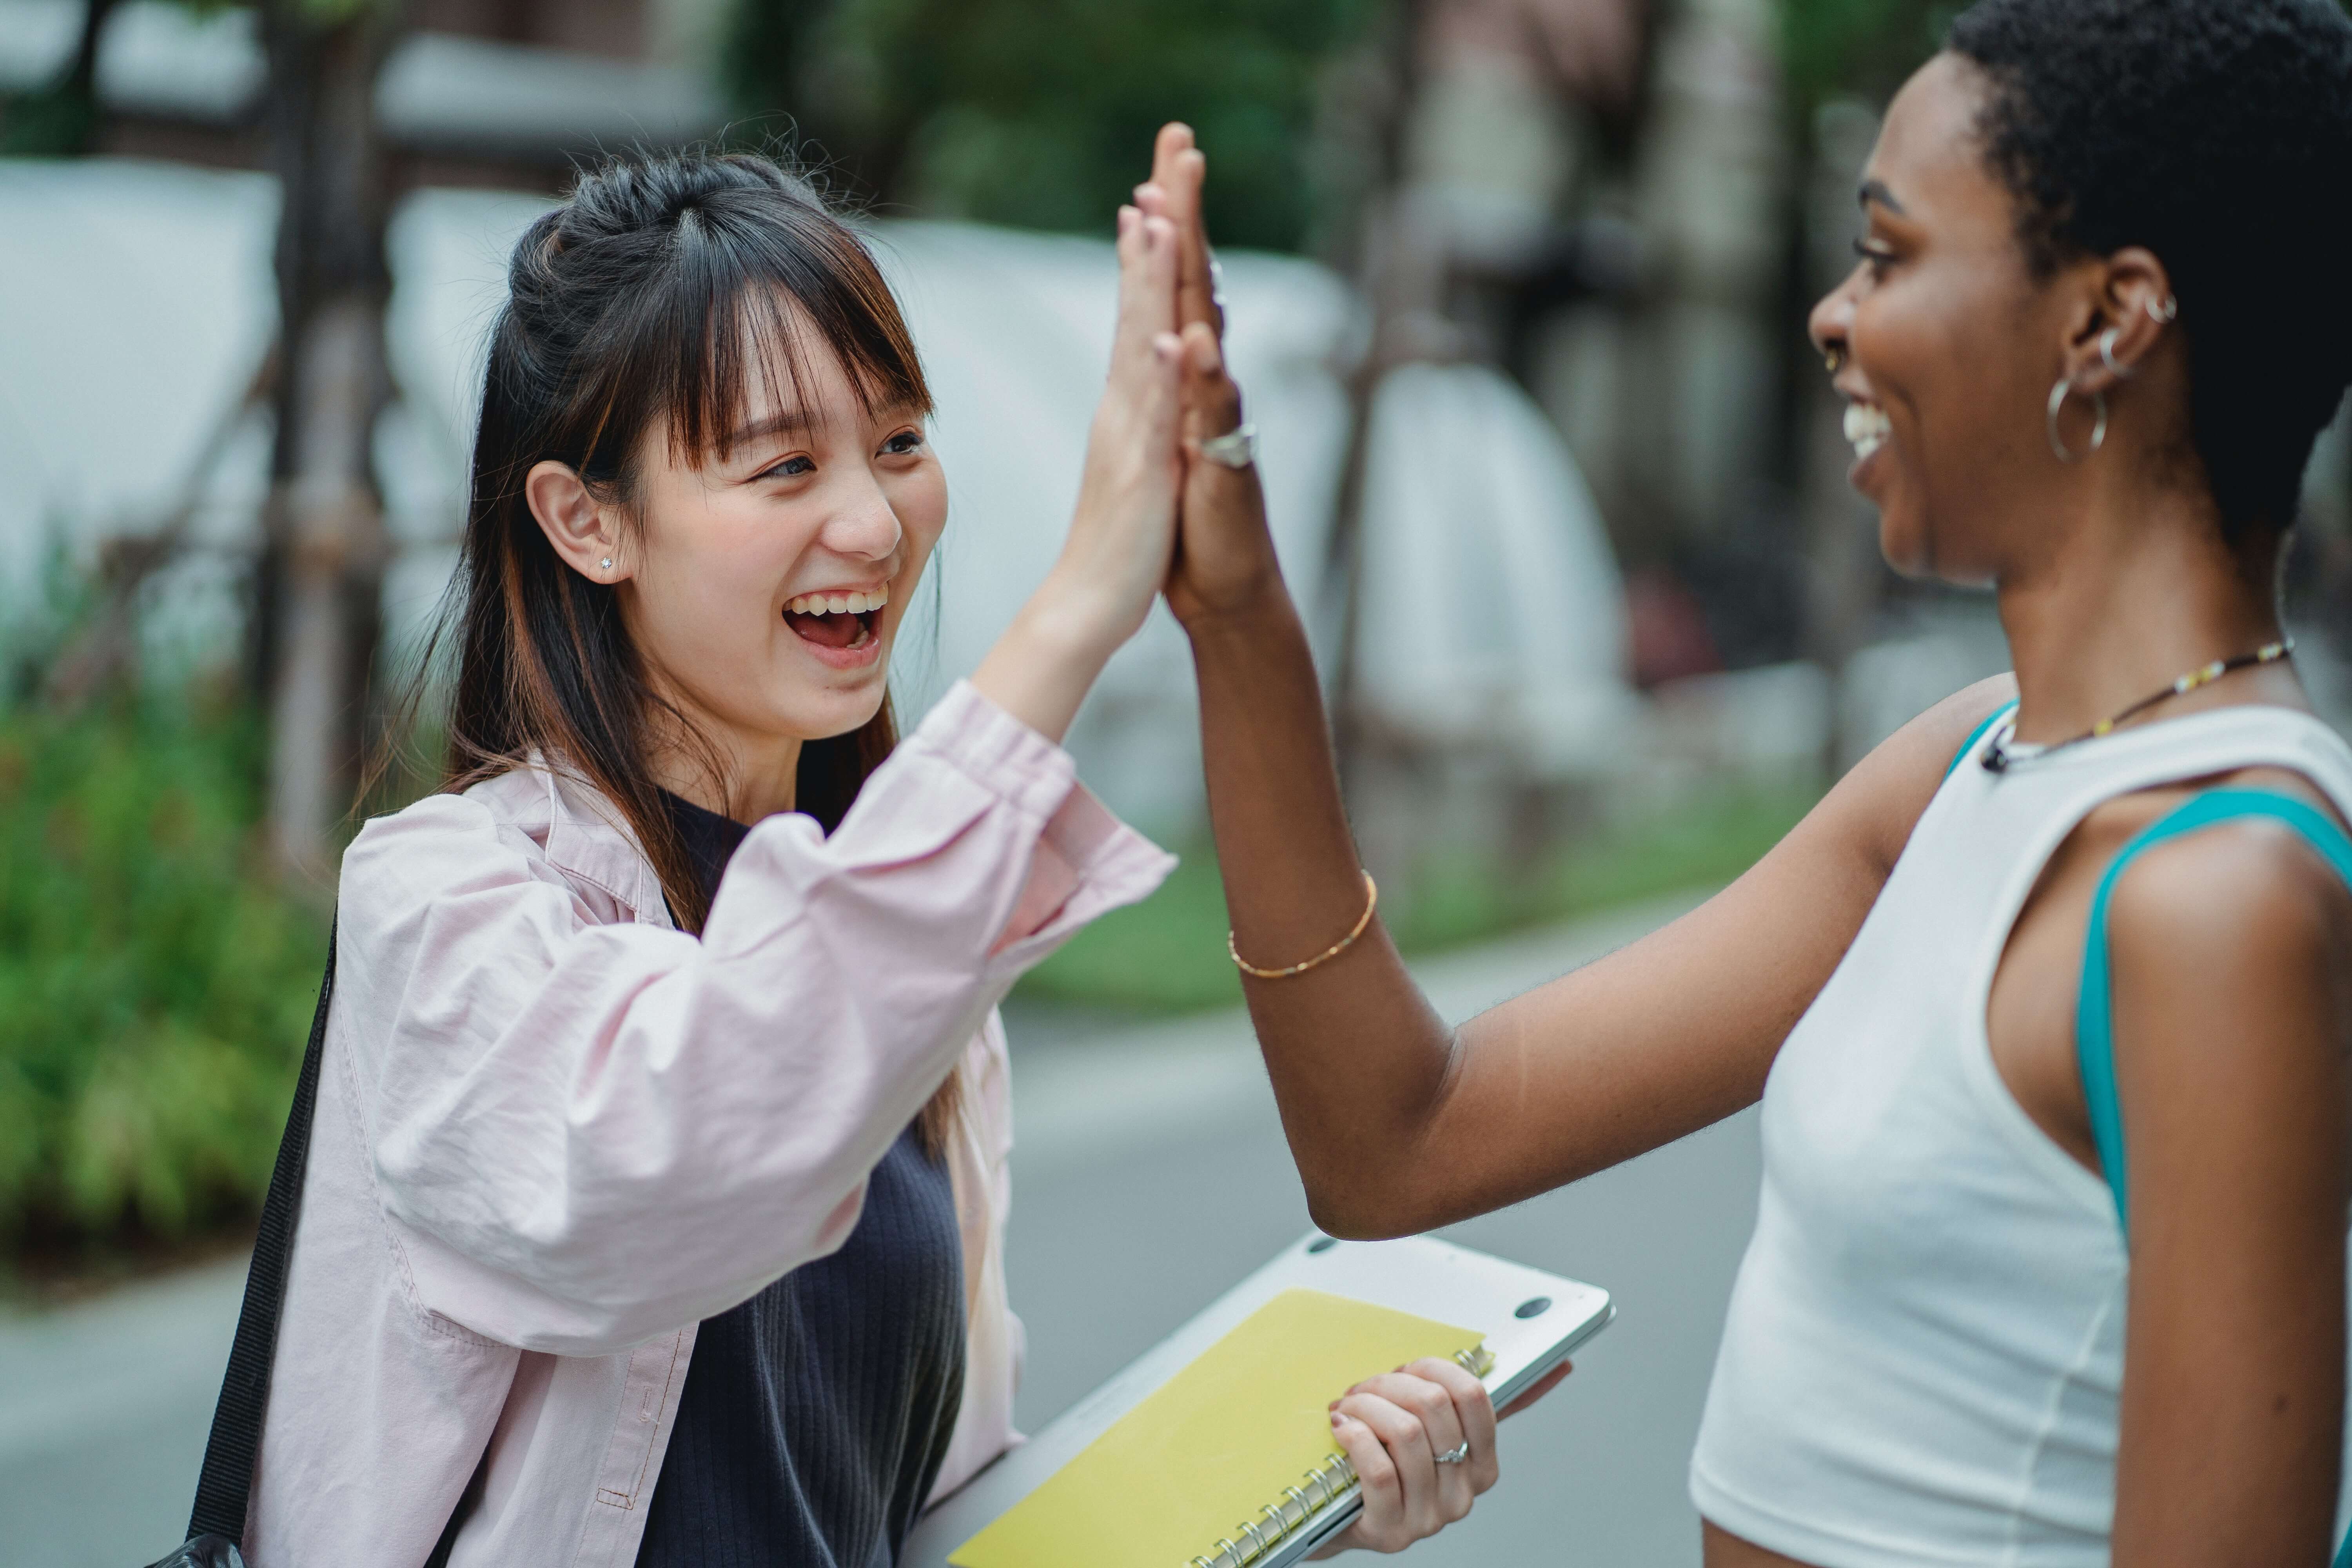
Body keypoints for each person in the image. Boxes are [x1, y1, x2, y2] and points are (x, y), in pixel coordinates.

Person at [1149, 1, 2352, 1563]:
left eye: (1892, 253)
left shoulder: (2220, 896)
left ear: (2108, 321)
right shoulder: (1968, 769)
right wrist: (1238, 616)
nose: (1832, 316)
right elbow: (1400, 1138)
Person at [240, 152, 1492, 1567]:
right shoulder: (447, 908)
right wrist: (1085, 596)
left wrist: (1288, 1482)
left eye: (898, 443)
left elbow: (913, 1523)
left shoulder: (916, 967)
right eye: (785, 466)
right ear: (587, 522)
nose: (875, 523)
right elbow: (689, 1149)